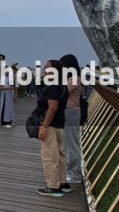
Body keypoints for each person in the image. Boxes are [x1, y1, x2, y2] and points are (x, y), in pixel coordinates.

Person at [35, 59, 69, 197]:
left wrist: (44, 127)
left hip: (50, 125)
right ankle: (62, 182)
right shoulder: (62, 85)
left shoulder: (53, 86)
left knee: (49, 156)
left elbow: (52, 107)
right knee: (60, 155)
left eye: (47, 67)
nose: (45, 70)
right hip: (60, 124)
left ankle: (53, 187)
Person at [60, 54, 84, 185]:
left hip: (71, 112)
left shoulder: (74, 79)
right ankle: (70, 171)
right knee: (67, 143)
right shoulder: (71, 78)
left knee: (71, 145)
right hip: (69, 112)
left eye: (63, 65)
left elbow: (62, 93)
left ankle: (74, 174)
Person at [0, 54, 15, 127]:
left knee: (9, 108)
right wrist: (8, 87)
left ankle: (9, 121)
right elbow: (0, 87)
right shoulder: (1, 76)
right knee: (4, 107)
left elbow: (12, 86)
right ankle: (4, 123)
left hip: (9, 94)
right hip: (4, 94)